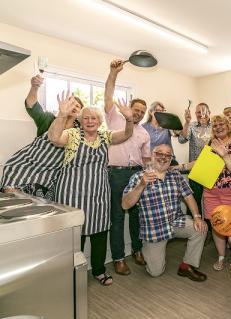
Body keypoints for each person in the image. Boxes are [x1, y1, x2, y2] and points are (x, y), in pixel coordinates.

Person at [48, 93, 134, 286]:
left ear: (99, 121)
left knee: (99, 235)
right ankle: (71, 275)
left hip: (98, 195)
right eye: (85, 118)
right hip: (71, 195)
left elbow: (127, 134)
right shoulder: (72, 134)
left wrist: (129, 119)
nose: (89, 121)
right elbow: (54, 138)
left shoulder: (105, 136)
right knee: (73, 238)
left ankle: (98, 270)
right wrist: (61, 116)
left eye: (93, 118)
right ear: (80, 120)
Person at [122, 144, 208, 282]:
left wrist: (197, 217)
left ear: (171, 158)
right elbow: (125, 204)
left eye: (168, 155)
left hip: (176, 222)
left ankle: (187, 266)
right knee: (155, 272)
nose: (163, 157)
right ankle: (148, 250)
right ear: (152, 155)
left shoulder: (176, 175)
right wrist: (141, 185)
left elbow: (188, 196)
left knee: (201, 228)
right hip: (154, 231)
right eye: (159, 153)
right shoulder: (139, 177)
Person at [1, 75, 83, 197]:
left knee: (37, 207)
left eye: (77, 106)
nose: (74, 107)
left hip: (49, 174)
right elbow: (31, 105)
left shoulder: (80, 132)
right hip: (26, 166)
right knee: (12, 199)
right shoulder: (48, 119)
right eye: (71, 103)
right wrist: (34, 87)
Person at [104, 59, 151, 276]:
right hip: (117, 174)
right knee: (118, 216)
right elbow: (108, 91)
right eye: (136, 109)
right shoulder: (114, 117)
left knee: (137, 216)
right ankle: (119, 258)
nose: (139, 113)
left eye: (142, 111)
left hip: (137, 175)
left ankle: (138, 251)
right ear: (129, 108)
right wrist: (114, 73)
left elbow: (147, 159)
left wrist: (148, 176)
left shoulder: (144, 133)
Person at [204, 115, 231, 271]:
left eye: (221, 124)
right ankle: (221, 256)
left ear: (228, 125)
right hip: (211, 192)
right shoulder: (210, 143)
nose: (218, 127)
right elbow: (201, 163)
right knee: (217, 224)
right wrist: (180, 167)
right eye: (215, 126)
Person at [177, 102, 212, 215]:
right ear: (195, 114)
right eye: (198, 112)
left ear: (209, 113)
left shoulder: (215, 126)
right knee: (194, 201)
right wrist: (186, 122)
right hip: (194, 170)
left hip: (212, 170)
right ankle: (195, 230)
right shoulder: (191, 125)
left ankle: (210, 230)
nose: (201, 114)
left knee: (210, 202)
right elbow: (182, 140)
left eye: (204, 111)